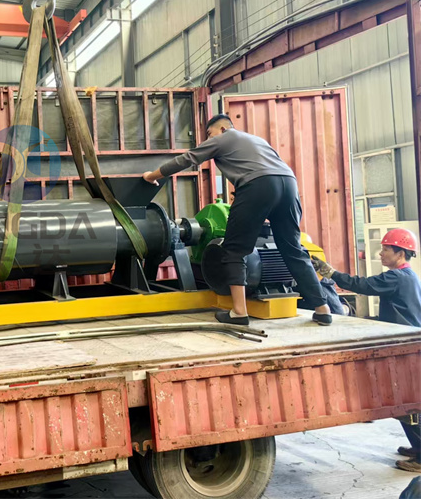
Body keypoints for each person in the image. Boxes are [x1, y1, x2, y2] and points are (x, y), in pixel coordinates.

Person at [142, 113, 332, 326]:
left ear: (222, 129)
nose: (208, 139)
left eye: (209, 133)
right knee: (293, 249)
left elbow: (187, 159)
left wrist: (152, 176)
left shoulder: (225, 138)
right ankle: (322, 309)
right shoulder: (258, 140)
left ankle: (239, 312)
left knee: (234, 250)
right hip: (289, 184)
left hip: (258, 185)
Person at [313, 228, 421, 473]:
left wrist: (331, 273)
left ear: (400, 253)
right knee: (407, 403)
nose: (380, 253)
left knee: (408, 405)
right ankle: (418, 447)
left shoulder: (396, 278)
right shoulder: (409, 276)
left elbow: (362, 285)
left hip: (404, 350)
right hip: (408, 347)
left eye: (385, 249)